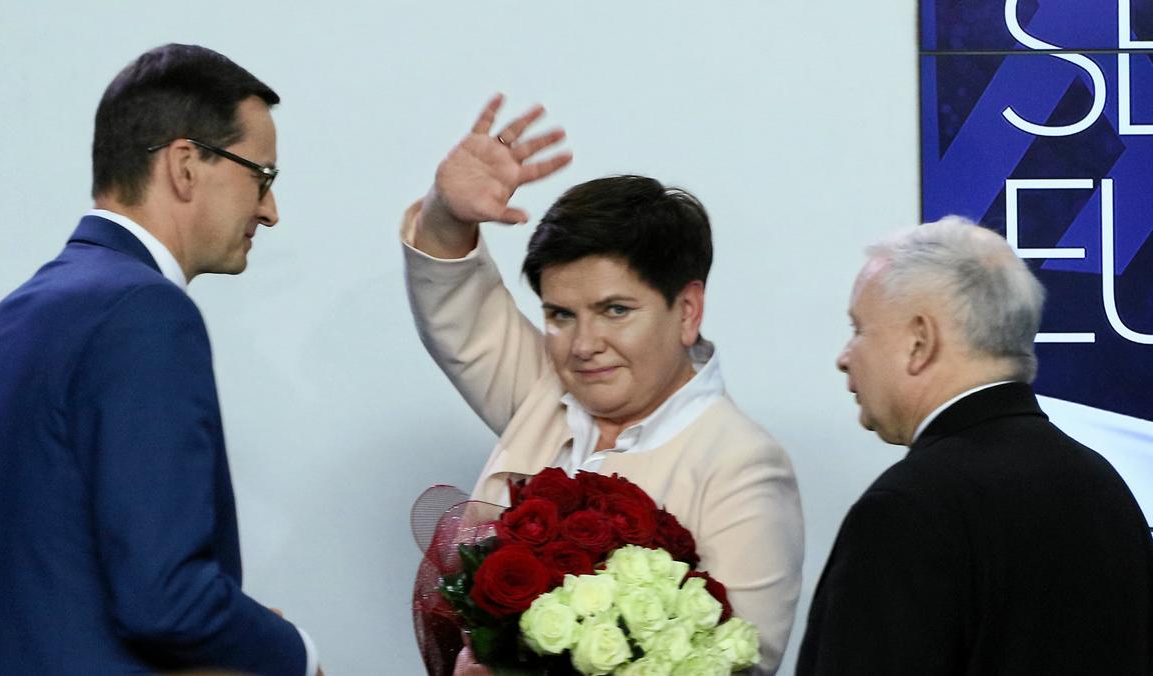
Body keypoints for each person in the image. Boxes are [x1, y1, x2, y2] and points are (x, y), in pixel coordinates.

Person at [404, 96, 804, 674]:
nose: (583, 343)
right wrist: (446, 213)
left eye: (615, 310)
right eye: (560, 314)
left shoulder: (743, 465)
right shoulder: (548, 393)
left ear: (687, 310)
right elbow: (457, 313)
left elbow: (736, 662)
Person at [0, 44, 320, 675]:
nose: (269, 209)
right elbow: (163, 598)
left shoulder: (23, 310)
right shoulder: (144, 313)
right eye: (262, 175)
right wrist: (294, 655)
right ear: (184, 165)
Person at [796, 217, 1153, 675]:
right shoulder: (1105, 488)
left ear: (920, 341)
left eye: (859, 329)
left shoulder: (907, 510)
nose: (844, 357)